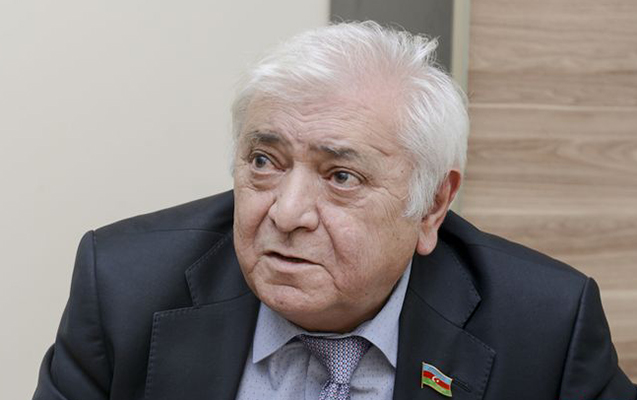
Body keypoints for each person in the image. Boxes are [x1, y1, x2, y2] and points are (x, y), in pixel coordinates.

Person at [33, 21, 635, 400]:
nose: (287, 213)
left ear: (432, 205)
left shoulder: (546, 326)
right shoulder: (124, 285)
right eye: (264, 162)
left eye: (341, 176)